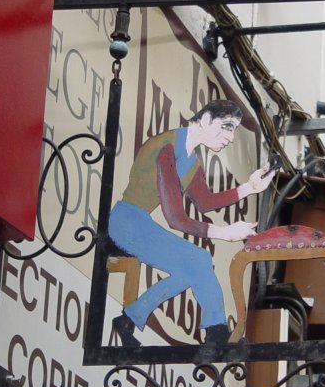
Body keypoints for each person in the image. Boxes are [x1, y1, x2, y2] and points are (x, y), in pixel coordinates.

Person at [108, 99, 275, 347]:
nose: (229, 138)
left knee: (195, 264)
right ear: (206, 119)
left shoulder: (191, 158)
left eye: (234, 130)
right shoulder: (166, 147)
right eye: (227, 126)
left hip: (140, 222)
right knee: (198, 260)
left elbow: (205, 202)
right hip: (127, 222)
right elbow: (175, 218)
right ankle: (216, 334)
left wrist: (249, 188)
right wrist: (224, 232)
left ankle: (131, 319)